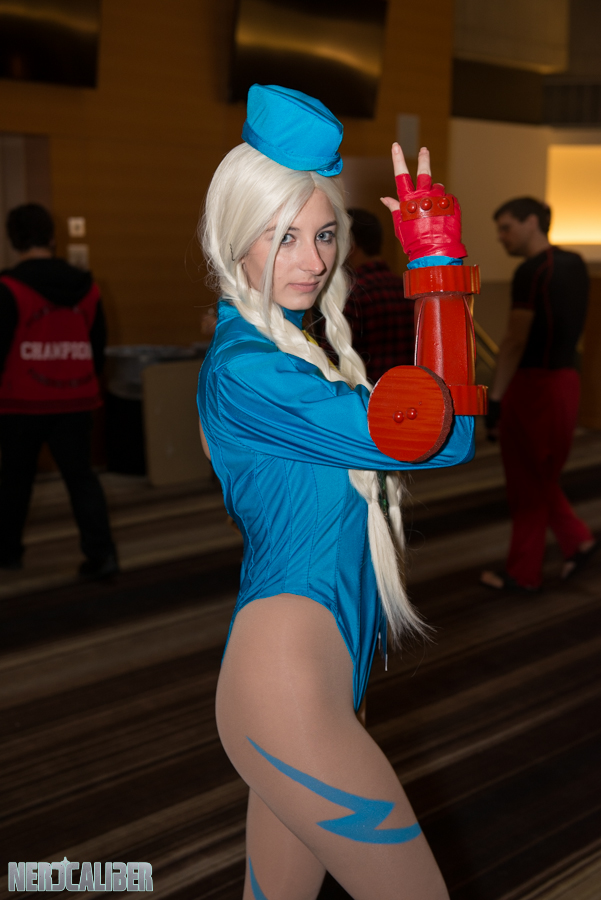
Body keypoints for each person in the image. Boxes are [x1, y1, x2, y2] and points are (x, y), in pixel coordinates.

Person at [197, 84, 475, 900]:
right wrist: (436, 270)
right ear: (234, 239)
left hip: (318, 674)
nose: (314, 261)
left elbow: (443, 433)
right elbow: (441, 435)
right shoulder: (249, 373)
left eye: (323, 234)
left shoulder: (298, 356)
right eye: (282, 237)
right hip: (285, 678)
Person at [481, 197, 597, 592]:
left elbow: (515, 340)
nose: (501, 237)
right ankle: (577, 540)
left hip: (534, 386)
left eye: (506, 227)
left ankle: (523, 573)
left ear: (532, 222)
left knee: (527, 481)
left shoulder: (531, 271)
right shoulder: (575, 263)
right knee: (541, 476)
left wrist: (496, 400)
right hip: (567, 381)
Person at [0, 203, 118, 578]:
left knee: (14, 481)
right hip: (77, 400)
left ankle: (8, 553)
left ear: (13, 240)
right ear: (52, 238)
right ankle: (102, 556)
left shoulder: (8, 289)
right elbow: (98, 346)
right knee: (81, 479)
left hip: (20, 402)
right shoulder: (88, 287)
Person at [343, 208, 415, 383]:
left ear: (350, 247)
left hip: (366, 395)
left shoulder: (351, 295)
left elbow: (332, 362)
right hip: (412, 391)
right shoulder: (408, 289)